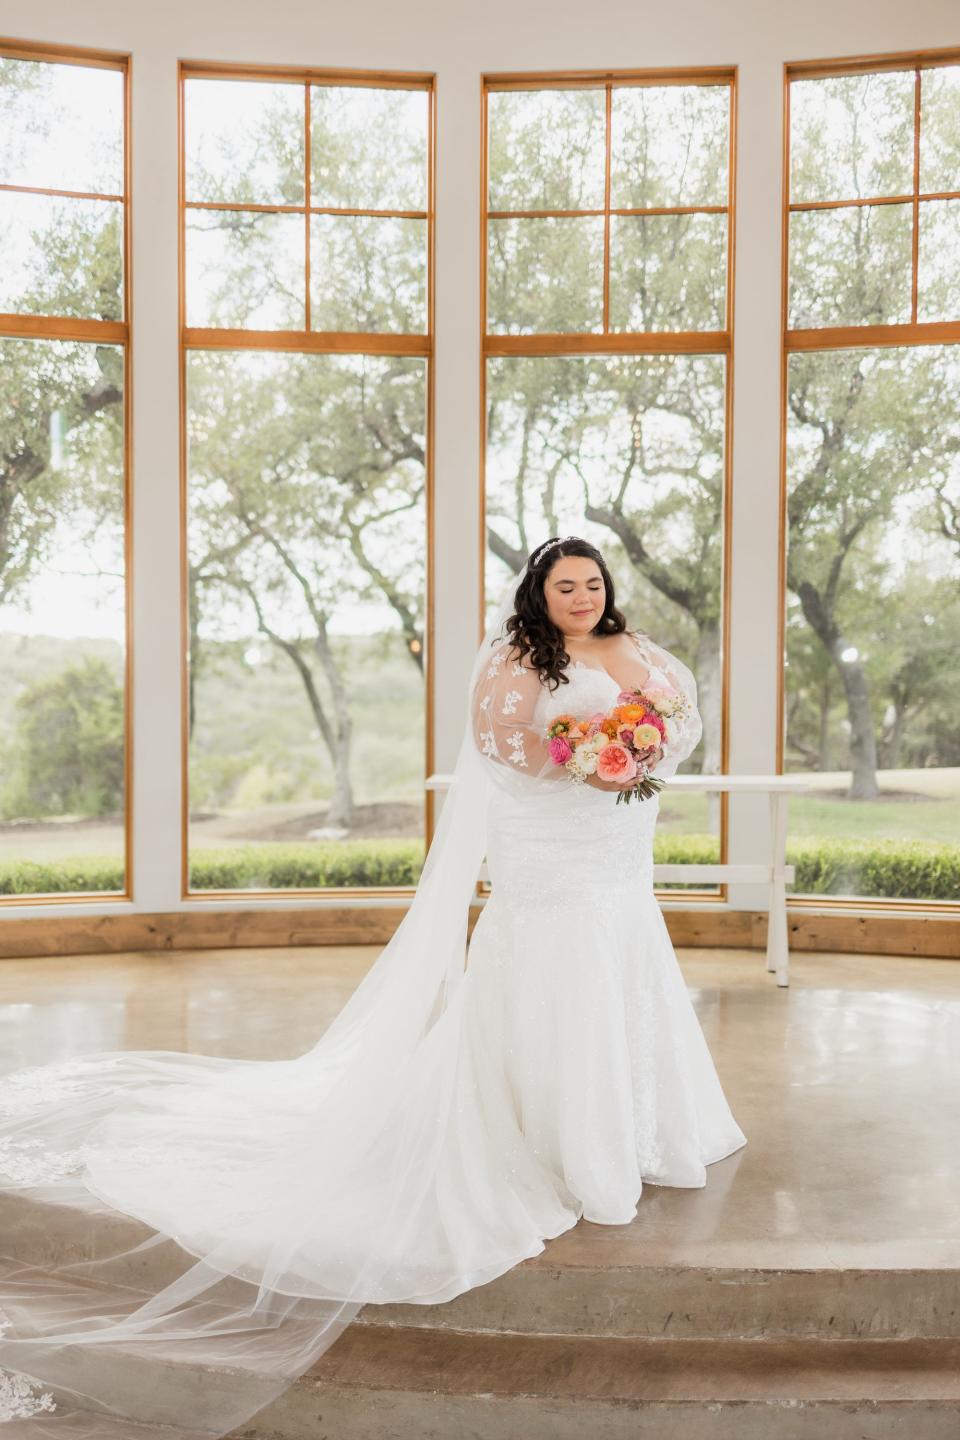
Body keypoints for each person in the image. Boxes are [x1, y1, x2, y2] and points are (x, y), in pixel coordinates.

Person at [0, 536, 746, 1437]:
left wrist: (639, 748)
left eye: (592, 584)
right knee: (554, 965)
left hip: (619, 849)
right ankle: (552, 1131)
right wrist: (582, 754)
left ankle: (638, 1123)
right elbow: (500, 744)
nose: (581, 596)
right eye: (565, 585)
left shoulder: (636, 649)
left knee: (620, 959)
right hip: (551, 844)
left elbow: (680, 719)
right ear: (538, 594)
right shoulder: (517, 658)